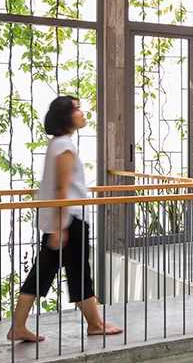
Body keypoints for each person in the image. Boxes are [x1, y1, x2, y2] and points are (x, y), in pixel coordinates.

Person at [8, 95, 121, 343]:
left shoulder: (58, 144)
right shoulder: (65, 147)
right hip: (69, 219)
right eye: (77, 109)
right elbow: (62, 187)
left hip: (63, 219)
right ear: (66, 117)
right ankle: (95, 324)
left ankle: (18, 326)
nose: (82, 113)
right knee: (79, 272)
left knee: (44, 273)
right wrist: (61, 227)